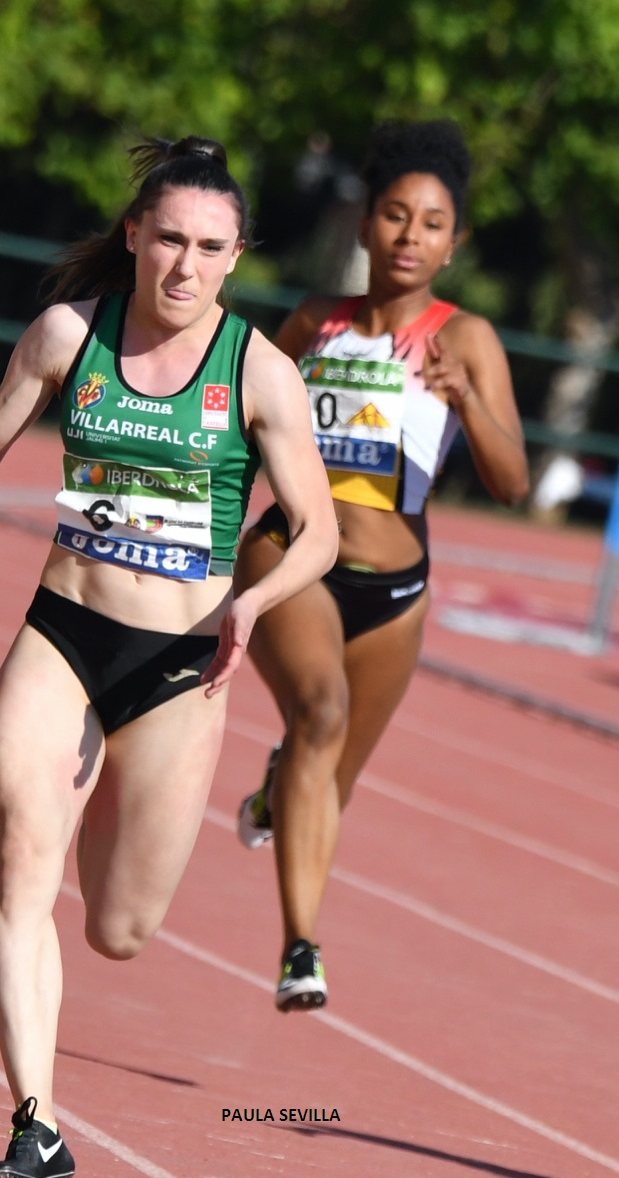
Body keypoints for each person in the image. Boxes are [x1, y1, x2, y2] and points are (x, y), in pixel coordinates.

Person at [0, 134, 338, 1178]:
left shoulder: (258, 371)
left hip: (178, 671)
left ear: (235, 255)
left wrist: (253, 597)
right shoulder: (70, 334)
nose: (184, 267)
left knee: (117, 928)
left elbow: (317, 532)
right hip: (62, 633)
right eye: (167, 242)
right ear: (134, 238)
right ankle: (35, 1124)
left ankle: (138, 808)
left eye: (208, 248)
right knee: (22, 863)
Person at [234, 119, 529, 1013]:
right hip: (294, 556)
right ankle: (300, 950)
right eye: (395, 216)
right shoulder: (312, 324)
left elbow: (512, 482)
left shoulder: (466, 339)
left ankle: (276, 792)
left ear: (456, 242)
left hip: (396, 591)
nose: (410, 236)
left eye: (432, 223)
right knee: (319, 713)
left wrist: (468, 399)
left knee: (329, 777)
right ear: (365, 226)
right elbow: (246, 440)